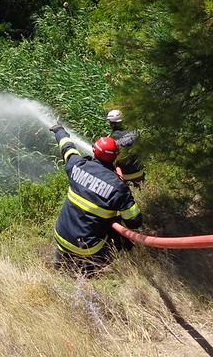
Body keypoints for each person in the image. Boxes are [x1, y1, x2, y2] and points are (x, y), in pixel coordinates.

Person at [50, 123, 143, 275]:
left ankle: (63, 266)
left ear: (94, 151)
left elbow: (68, 148)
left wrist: (59, 130)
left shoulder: (77, 165)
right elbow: (135, 221)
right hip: (87, 248)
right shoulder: (119, 187)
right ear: (115, 156)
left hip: (60, 235)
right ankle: (95, 270)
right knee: (121, 232)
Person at [106, 109, 145, 184]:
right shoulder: (135, 132)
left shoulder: (111, 140)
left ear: (111, 123)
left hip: (126, 175)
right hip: (140, 171)